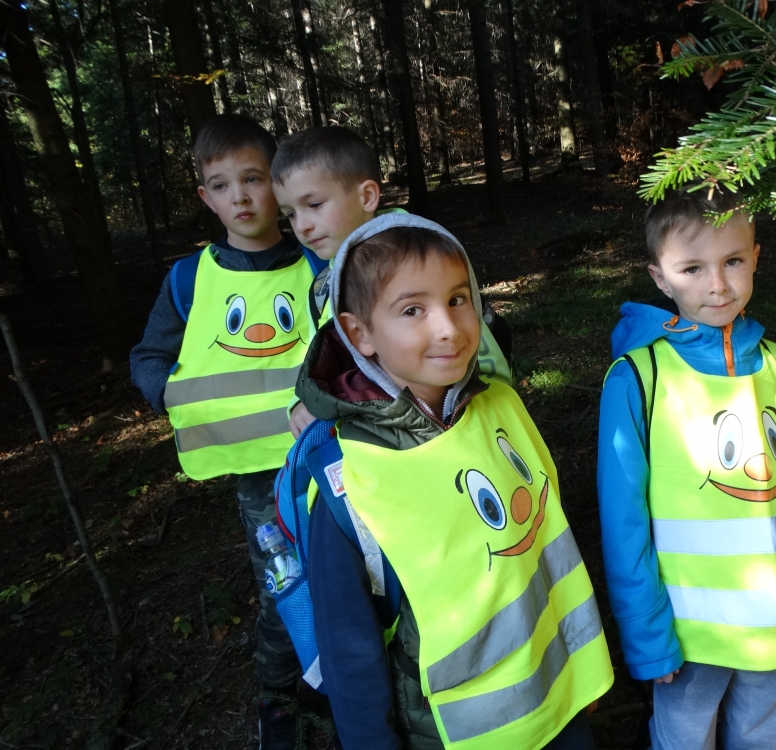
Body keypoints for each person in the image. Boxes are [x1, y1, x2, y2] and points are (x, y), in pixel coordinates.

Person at [297, 212, 614, 749]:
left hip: (559, 695)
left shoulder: (502, 406)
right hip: (456, 733)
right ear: (358, 333)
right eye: (413, 310)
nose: (447, 327)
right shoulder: (350, 480)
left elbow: (546, 545)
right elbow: (349, 649)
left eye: (458, 299)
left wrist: (576, 669)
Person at [597, 185, 776, 750]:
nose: (717, 285)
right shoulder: (638, 378)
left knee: (764, 737)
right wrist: (647, 635)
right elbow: (623, 522)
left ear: (756, 258)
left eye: (733, 262)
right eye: (692, 268)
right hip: (690, 631)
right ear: (659, 278)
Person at [130, 114, 319, 750]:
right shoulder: (190, 279)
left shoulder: (320, 259)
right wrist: (173, 397)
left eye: (254, 179)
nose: (240, 197)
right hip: (258, 475)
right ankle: (278, 700)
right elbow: (150, 355)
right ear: (205, 196)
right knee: (284, 586)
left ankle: (353, 686)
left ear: (279, 182)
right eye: (221, 184)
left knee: (357, 572)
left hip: (338, 456)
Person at [269, 126, 512, 438]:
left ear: (367, 196)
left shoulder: (422, 258)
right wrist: (306, 400)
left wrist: (494, 408)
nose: (302, 226)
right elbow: (327, 361)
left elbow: (481, 356)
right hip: (382, 440)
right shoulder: (322, 289)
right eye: (290, 214)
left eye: (314, 205)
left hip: (456, 431)